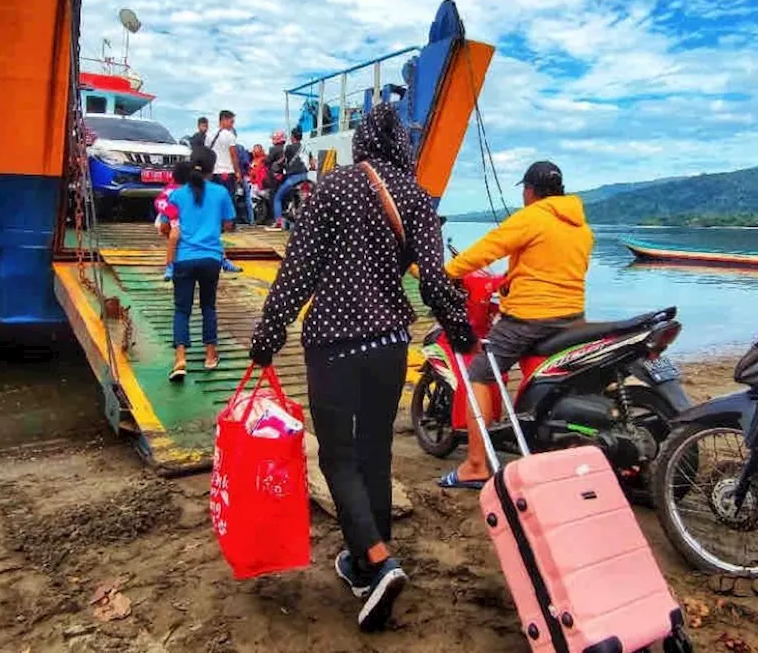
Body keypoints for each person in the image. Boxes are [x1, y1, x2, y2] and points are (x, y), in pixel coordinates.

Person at [249, 104, 475, 632]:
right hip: (391, 343)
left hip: (333, 342)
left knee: (337, 457)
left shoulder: (332, 188)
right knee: (374, 450)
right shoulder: (417, 197)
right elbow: (434, 280)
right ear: (400, 144)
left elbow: (298, 270)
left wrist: (268, 333)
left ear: (362, 143)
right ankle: (365, 563)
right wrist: (459, 329)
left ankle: (378, 559)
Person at [439, 160, 594, 489]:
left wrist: (446, 273)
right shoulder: (581, 226)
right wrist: (513, 279)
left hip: (529, 319)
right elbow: (557, 269)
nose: (523, 195)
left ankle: (476, 464)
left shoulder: (532, 216)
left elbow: (486, 250)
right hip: (573, 318)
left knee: (480, 373)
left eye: (524, 189)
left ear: (531, 191)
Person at [169, 148, 237, 382]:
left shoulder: (176, 195)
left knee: (181, 310)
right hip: (211, 259)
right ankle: (210, 355)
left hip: (184, 258)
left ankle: (180, 359)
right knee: (208, 306)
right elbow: (229, 225)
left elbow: (169, 228)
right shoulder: (220, 193)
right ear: (213, 168)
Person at [155, 162, 242, 280]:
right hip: (172, 218)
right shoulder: (177, 190)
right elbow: (162, 204)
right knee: (175, 236)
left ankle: (223, 259)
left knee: (204, 235)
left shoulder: (177, 188)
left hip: (178, 219)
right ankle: (170, 266)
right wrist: (172, 220)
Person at [272, 126, 314, 228]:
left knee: (277, 198)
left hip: (293, 178)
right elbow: (313, 164)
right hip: (305, 177)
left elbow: (283, 161)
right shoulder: (307, 147)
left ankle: (278, 222)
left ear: (293, 137)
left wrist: (276, 165)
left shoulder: (289, 148)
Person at [207, 110, 242, 211]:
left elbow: (207, 153)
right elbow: (233, 155)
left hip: (213, 172)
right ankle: (227, 223)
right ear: (224, 120)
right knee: (228, 200)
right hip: (227, 172)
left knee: (214, 199)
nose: (232, 125)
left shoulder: (209, 135)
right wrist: (238, 172)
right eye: (231, 122)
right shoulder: (229, 135)